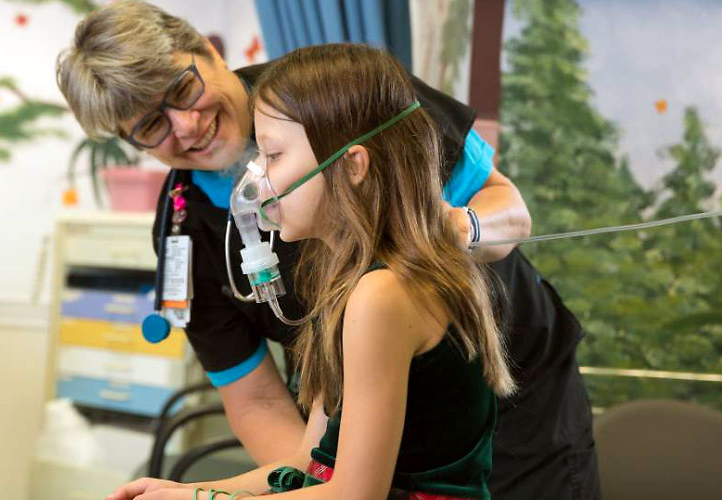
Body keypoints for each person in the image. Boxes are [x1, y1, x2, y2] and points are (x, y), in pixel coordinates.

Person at [56, 1, 600, 498]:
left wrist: (452, 232)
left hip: (514, 401)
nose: (187, 125)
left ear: (208, 51)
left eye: (181, 90)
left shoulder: (336, 93)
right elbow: (264, 407)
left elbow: (511, 213)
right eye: (152, 125)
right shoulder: (191, 232)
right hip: (365, 436)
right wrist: (311, 476)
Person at [109, 41, 516, 500]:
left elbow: (353, 494)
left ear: (352, 164)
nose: (253, 179)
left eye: (271, 156)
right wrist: (182, 491)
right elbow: (308, 463)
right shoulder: (343, 286)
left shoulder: (383, 295)